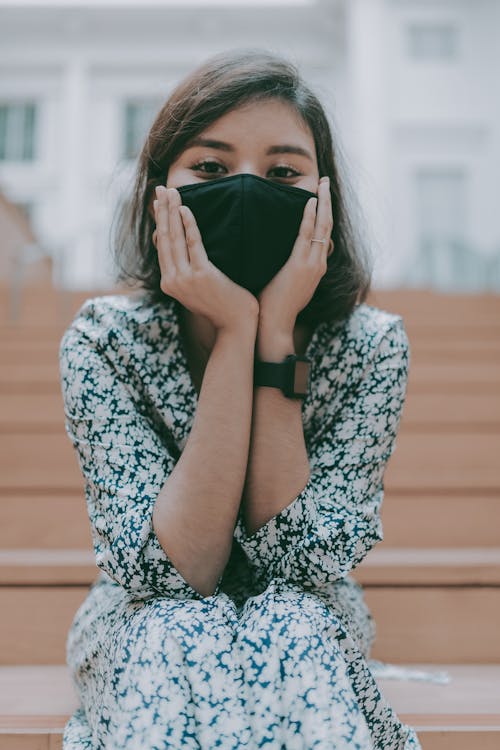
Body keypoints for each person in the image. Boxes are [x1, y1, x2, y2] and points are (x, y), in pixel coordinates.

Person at [60, 48, 422, 749]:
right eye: (211, 168)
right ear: (158, 189)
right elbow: (176, 571)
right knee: (173, 627)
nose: (249, 192)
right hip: (144, 620)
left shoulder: (372, 346)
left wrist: (275, 334)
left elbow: (302, 565)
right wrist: (234, 330)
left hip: (309, 619)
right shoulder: (104, 340)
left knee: (294, 621)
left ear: (324, 197)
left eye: (283, 172)